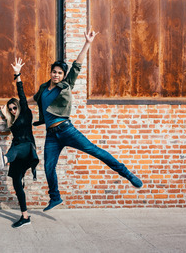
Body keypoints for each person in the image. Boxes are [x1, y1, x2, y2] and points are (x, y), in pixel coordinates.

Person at [30, 28, 143, 212]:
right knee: (49, 167)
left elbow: (77, 65)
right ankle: (55, 197)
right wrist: (16, 101)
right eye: (54, 72)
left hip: (66, 130)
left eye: (60, 73)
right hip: (51, 135)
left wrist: (88, 43)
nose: (56, 75)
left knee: (95, 151)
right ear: (50, 72)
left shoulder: (66, 85)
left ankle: (127, 174)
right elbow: (32, 100)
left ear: (63, 76)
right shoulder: (43, 88)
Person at [0, 57, 39, 228]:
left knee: (17, 147)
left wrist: (17, 74)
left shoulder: (25, 113)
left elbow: (21, 93)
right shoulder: (12, 122)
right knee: (17, 184)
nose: (12, 109)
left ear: (19, 106)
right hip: (16, 153)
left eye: (14, 107)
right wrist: (5, 115)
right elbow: (10, 120)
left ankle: (3, 159)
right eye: (10, 108)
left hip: (27, 148)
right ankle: (25, 216)